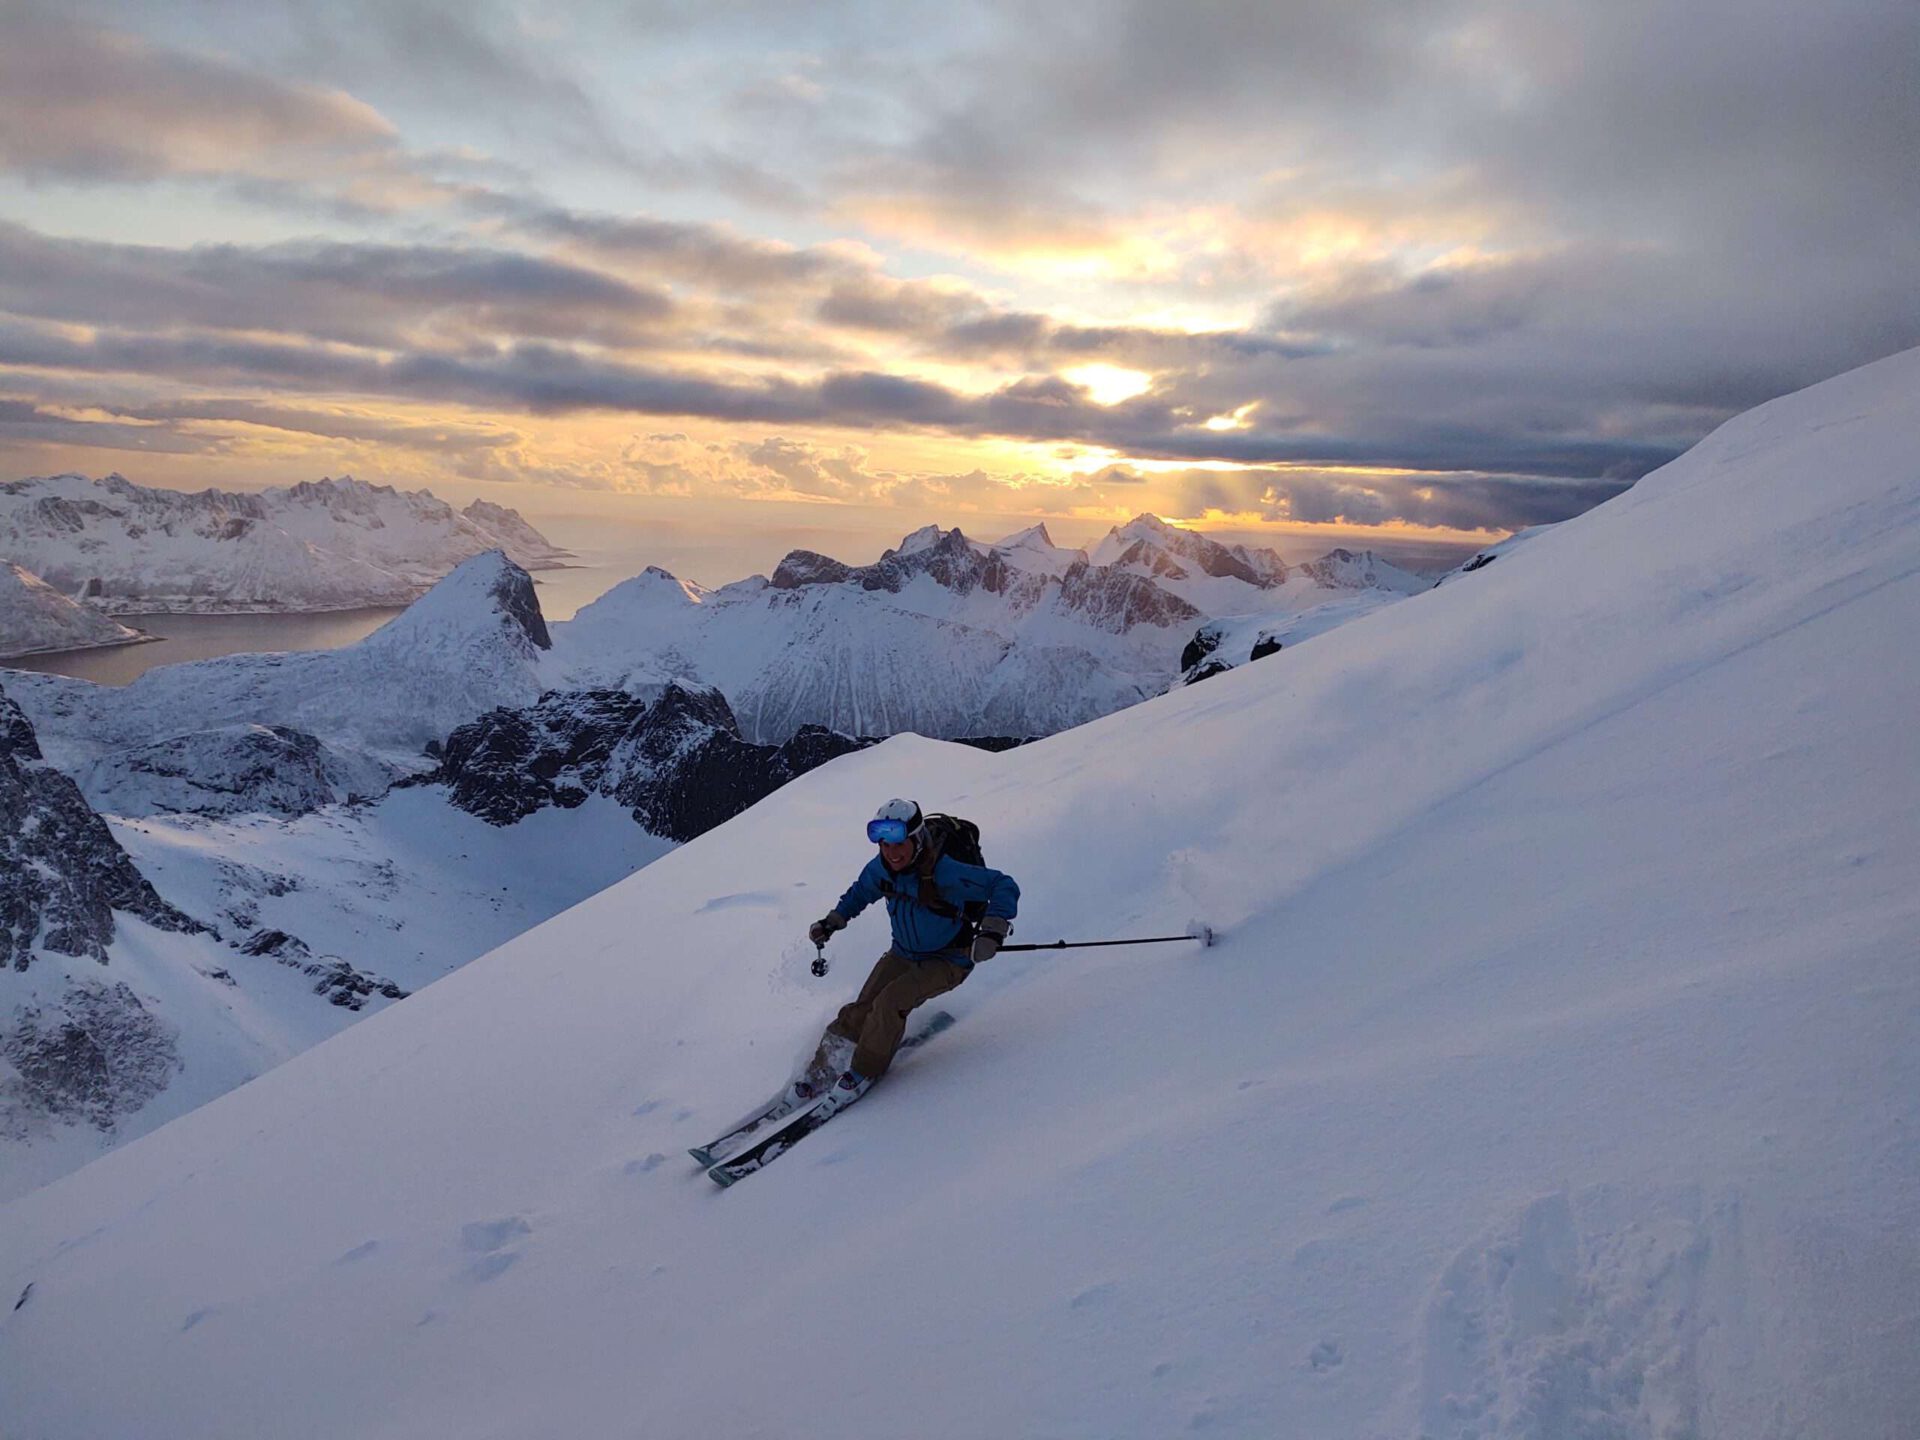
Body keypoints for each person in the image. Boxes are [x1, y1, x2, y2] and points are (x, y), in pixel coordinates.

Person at [804, 798, 1019, 1116]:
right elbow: (860, 894)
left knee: (889, 1003)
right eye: (884, 844)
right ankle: (821, 1071)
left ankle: (863, 1070)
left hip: (949, 959)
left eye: (899, 843)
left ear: (917, 838)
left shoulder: (945, 871)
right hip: (902, 953)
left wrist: (992, 930)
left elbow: (1003, 885)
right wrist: (832, 922)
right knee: (860, 1010)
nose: (892, 852)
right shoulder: (881, 869)